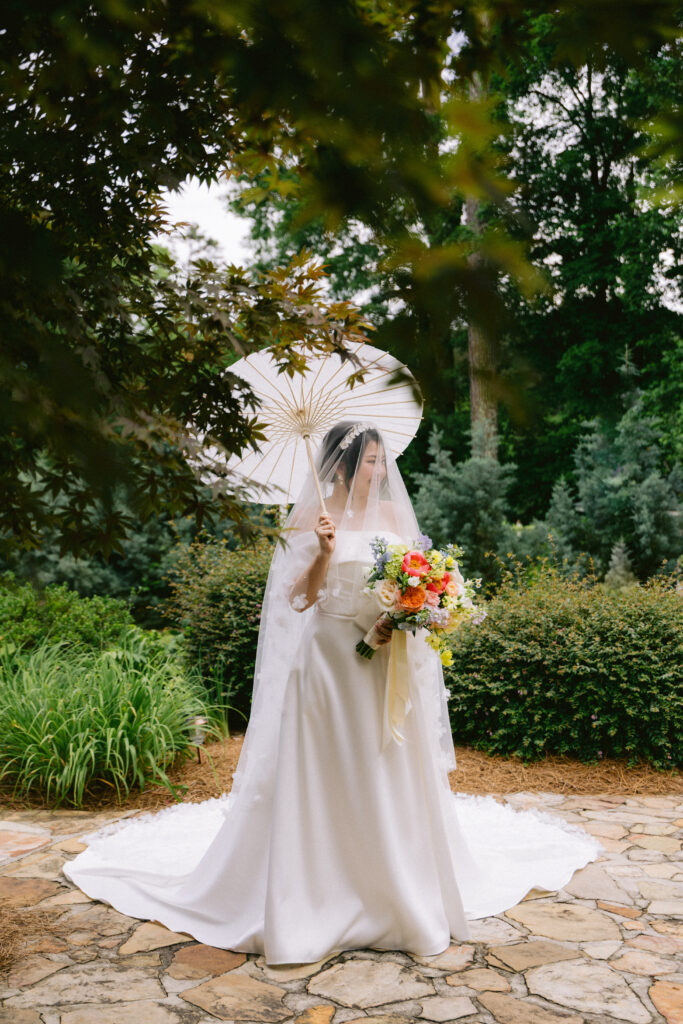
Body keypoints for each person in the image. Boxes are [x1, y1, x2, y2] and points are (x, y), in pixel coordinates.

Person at [63, 420, 603, 965]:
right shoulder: (309, 516)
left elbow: (420, 577)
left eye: (379, 460)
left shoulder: (394, 515)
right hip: (327, 661)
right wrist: (322, 551)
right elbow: (298, 599)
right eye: (369, 461)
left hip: (383, 661)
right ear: (343, 466)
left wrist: (413, 611)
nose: (379, 469)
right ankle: (319, 891)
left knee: (382, 765)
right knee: (327, 769)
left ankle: (392, 886)